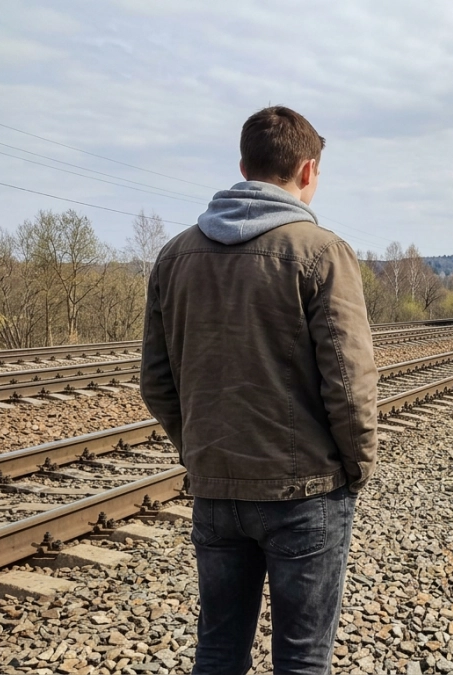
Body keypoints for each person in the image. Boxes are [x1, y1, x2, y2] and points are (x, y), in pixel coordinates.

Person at [140, 106, 379, 675]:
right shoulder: (321, 251)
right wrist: (356, 466)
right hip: (306, 491)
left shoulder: (175, 255)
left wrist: (204, 453)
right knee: (301, 658)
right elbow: (350, 383)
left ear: (243, 165)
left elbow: (155, 380)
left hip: (216, 490)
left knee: (219, 650)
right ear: (307, 169)